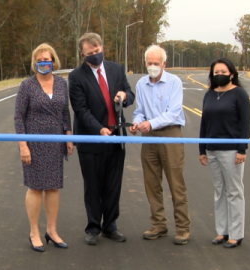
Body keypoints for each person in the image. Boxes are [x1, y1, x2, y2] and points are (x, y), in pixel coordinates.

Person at [68, 32, 135, 245]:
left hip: (116, 137)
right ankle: (93, 227)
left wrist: (124, 97)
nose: (95, 55)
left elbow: (129, 94)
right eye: (90, 53)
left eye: (98, 51)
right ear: (83, 55)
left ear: (102, 48)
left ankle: (110, 226)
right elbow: (80, 109)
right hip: (91, 139)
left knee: (113, 185)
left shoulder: (116, 69)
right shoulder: (76, 76)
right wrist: (99, 130)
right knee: (93, 185)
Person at [129, 45, 191, 245]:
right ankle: (158, 224)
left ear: (164, 64)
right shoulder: (141, 84)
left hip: (170, 133)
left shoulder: (174, 82)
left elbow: (173, 112)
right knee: (151, 183)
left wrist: (150, 123)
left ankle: (182, 228)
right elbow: (140, 110)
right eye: (150, 63)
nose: (153, 66)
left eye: (157, 63)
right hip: (149, 136)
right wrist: (137, 122)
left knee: (176, 183)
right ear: (145, 63)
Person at [14, 43, 73, 252]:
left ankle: (52, 231)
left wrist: (68, 136)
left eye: (46, 60)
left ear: (54, 62)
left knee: (53, 187)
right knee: (36, 187)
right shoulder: (27, 86)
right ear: (34, 64)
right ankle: (34, 232)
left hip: (55, 142)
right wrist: (23, 145)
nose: (43, 64)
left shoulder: (61, 84)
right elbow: (19, 117)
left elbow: (65, 112)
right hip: (34, 144)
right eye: (39, 61)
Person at [198, 58, 250, 248]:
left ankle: (236, 234)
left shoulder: (239, 94)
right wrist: (202, 149)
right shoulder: (209, 95)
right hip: (211, 150)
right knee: (219, 191)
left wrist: (242, 149)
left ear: (232, 74)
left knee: (234, 192)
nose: (219, 75)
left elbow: (246, 123)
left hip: (231, 151)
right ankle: (222, 231)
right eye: (216, 72)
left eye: (223, 72)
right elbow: (204, 122)